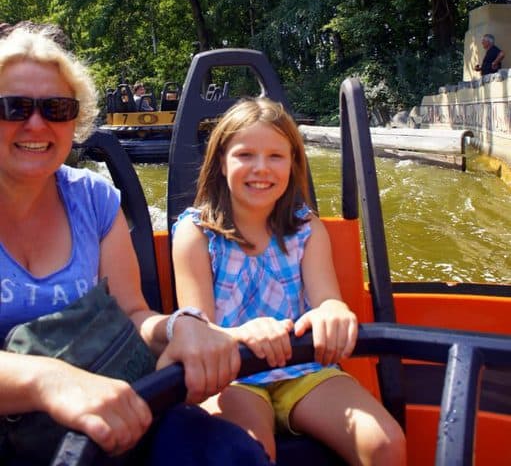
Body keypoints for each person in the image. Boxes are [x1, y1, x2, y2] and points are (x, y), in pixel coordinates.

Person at [0, 25, 271, 466]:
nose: (37, 123)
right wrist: (47, 380)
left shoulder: (93, 199)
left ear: (75, 120)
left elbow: (131, 314)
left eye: (56, 107)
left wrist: (177, 327)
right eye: (13, 108)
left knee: (229, 453)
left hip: (112, 407)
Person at [172, 98, 407, 466]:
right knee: (247, 453)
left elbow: (326, 298)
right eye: (245, 155)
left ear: (293, 164)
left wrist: (334, 312)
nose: (261, 168)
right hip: (233, 375)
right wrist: (243, 335)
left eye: (276, 157)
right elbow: (198, 331)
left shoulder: (306, 229)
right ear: (221, 161)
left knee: (385, 444)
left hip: (305, 370)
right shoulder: (195, 233)